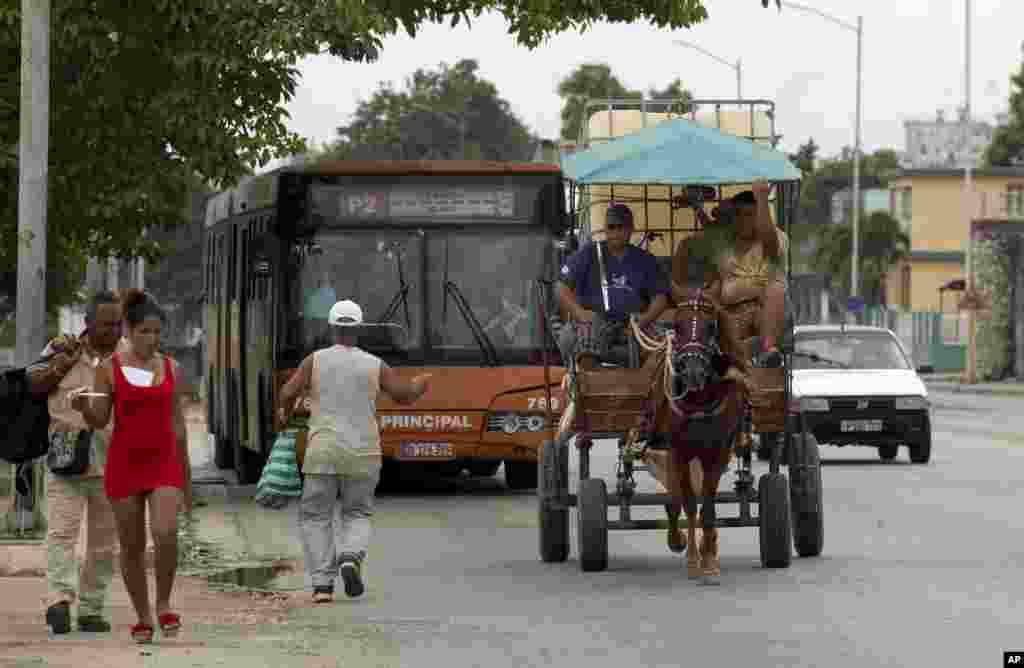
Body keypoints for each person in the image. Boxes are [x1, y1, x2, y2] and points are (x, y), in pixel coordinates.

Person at [277, 299, 430, 603]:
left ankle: (322, 585)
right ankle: (350, 557)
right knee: (357, 512)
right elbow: (404, 396)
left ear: (331, 327)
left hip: (322, 452)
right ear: (359, 328)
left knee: (316, 516)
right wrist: (420, 385)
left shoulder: (314, 361)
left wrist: (286, 413)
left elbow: (287, 392)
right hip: (363, 454)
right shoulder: (374, 364)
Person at [72, 289, 192, 644]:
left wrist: (187, 480)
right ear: (129, 331)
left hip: (164, 462)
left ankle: (165, 602)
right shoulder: (108, 370)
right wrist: (82, 407)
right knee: (132, 546)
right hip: (124, 464)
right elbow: (98, 418)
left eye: (157, 332)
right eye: (145, 332)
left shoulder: (172, 368)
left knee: (166, 532)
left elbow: (179, 427)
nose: (152, 339)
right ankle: (142, 616)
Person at [35, 291, 124, 635]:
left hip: (113, 461)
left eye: (118, 324)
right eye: (106, 324)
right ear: (88, 324)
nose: (114, 331)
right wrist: (60, 364)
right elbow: (35, 385)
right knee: (61, 533)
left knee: (104, 542)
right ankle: (58, 600)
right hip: (66, 458)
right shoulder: (62, 349)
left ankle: (91, 609)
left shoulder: (128, 359)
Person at [672, 180, 789, 366]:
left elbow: (769, 239)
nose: (744, 220)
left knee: (775, 291)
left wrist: (761, 199)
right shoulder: (722, 238)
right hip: (726, 313)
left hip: (763, 314)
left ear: (761, 215)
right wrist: (697, 206)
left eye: (750, 215)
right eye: (739, 215)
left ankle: (769, 351)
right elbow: (705, 229)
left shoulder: (775, 237)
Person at [557, 202, 671, 370]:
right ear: (605, 229)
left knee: (667, 346)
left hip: (632, 323)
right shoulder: (588, 253)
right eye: (611, 227)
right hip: (595, 322)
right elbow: (561, 288)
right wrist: (579, 313)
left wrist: (644, 320)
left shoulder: (645, 259)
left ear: (631, 229)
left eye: (621, 227)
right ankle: (587, 381)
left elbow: (660, 299)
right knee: (569, 337)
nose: (616, 232)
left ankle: (649, 391)